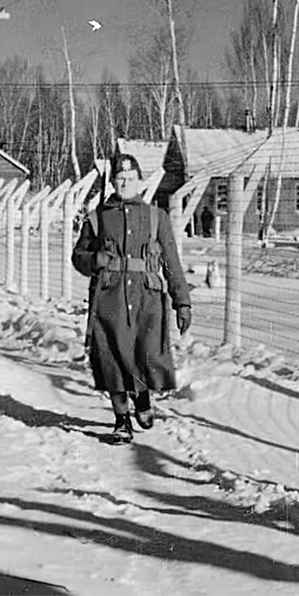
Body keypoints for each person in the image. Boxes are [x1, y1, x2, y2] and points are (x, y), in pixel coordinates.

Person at [72, 153, 192, 444]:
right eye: (120, 178)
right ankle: (121, 420)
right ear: (112, 182)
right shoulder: (96, 217)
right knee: (111, 358)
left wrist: (182, 302)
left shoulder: (156, 217)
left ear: (140, 181)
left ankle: (142, 396)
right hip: (109, 298)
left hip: (146, 299)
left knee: (143, 354)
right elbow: (78, 256)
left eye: (130, 178)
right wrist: (95, 259)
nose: (125, 183)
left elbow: (171, 262)